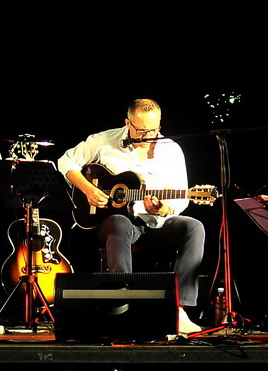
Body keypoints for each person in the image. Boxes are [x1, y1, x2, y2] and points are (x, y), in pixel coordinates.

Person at [58, 98, 206, 334]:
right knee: (118, 222)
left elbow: (179, 199)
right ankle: (123, 301)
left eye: (154, 129)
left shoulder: (172, 151)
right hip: (116, 221)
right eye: (142, 129)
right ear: (128, 123)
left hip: (155, 221)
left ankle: (179, 308)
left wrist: (162, 209)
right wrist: (88, 189)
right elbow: (65, 161)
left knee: (194, 227)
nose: (149, 135)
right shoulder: (104, 140)